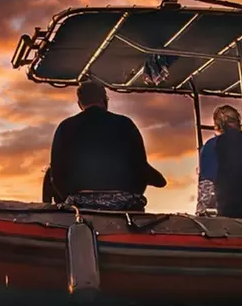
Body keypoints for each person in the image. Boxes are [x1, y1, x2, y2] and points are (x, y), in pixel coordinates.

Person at [44, 80, 166, 211]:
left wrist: (71, 199)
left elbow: (56, 174)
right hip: (124, 204)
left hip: (80, 204)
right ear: (105, 100)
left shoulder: (65, 127)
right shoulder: (125, 124)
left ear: (80, 104)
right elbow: (140, 166)